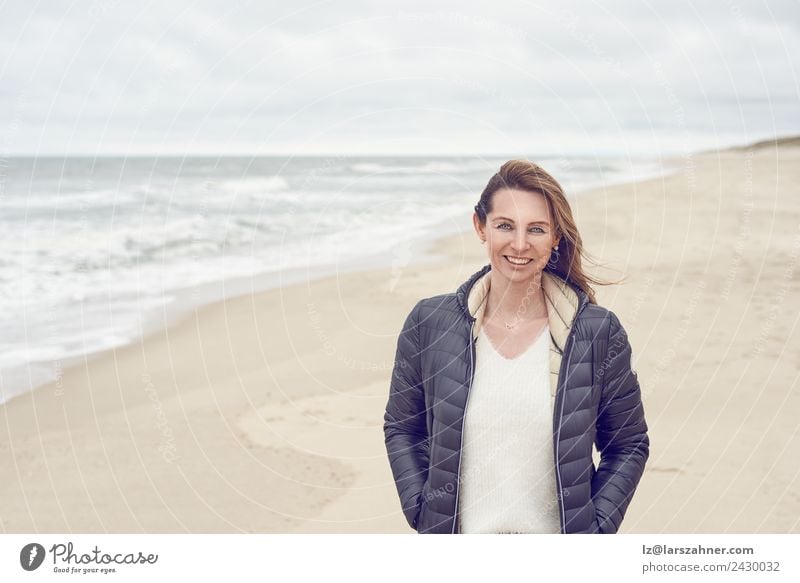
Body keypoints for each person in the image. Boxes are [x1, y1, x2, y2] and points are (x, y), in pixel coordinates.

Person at [383, 159, 650, 534]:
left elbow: (628, 444)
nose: (520, 244)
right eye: (505, 226)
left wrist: (595, 531)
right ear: (480, 227)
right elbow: (402, 428)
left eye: (537, 229)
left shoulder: (596, 332)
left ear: (556, 237)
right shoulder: (429, 324)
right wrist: (422, 510)